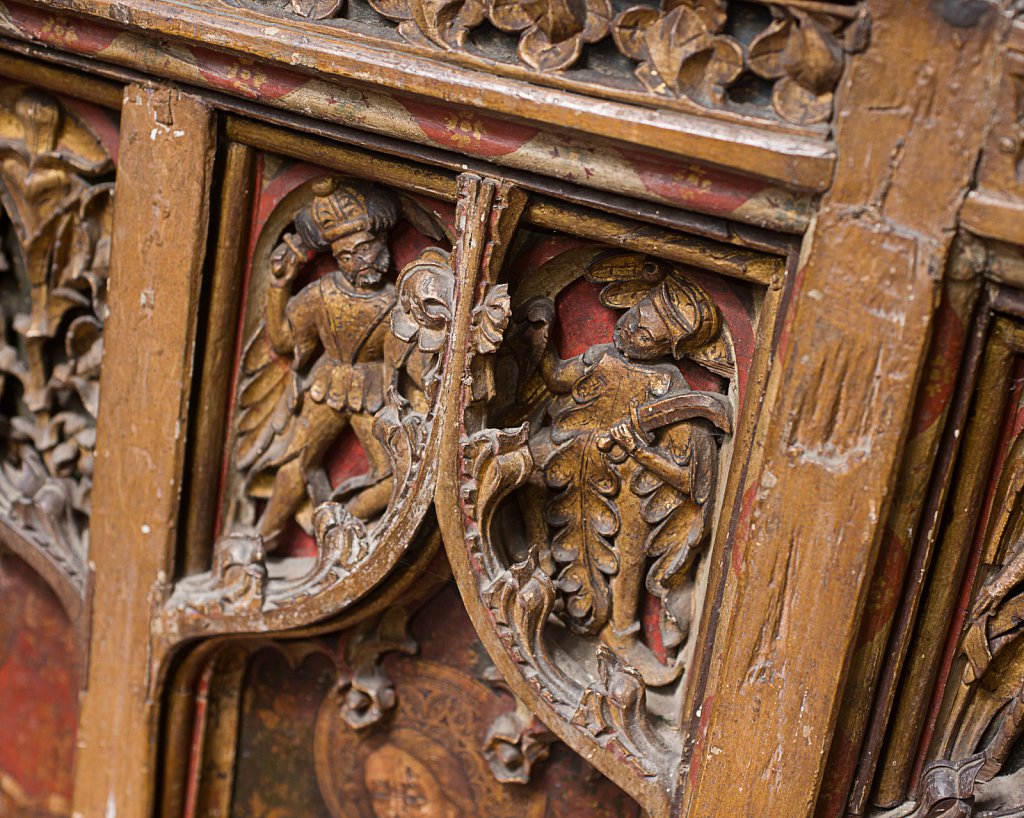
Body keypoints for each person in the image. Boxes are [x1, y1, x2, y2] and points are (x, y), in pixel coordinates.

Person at [237, 178, 403, 547]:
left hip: (373, 391)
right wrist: (279, 286)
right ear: (336, 260)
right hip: (325, 384)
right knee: (296, 461)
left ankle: (342, 524)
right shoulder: (323, 294)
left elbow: (404, 364)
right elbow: (282, 340)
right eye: (347, 256)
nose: (361, 263)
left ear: (383, 243)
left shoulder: (397, 303)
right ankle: (262, 540)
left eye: (367, 250)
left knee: (396, 473)